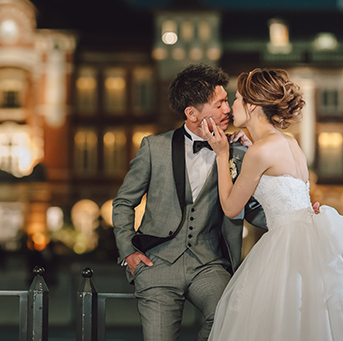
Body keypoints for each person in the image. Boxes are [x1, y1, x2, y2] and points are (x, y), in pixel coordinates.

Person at [201, 68, 343, 340]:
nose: (232, 105)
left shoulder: (260, 151)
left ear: (253, 105)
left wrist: (222, 155)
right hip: (312, 234)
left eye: (237, 99)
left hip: (286, 243)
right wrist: (250, 144)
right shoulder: (290, 143)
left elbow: (231, 207)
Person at [112, 64, 269, 341]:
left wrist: (295, 214)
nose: (227, 110)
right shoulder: (154, 147)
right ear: (192, 113)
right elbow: (124, 202)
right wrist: (128, 251)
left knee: (231, 312)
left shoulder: (238, 151)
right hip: (157, 264)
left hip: (208, 264)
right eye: (219, 104)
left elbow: (251, 209)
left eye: (226, 102)